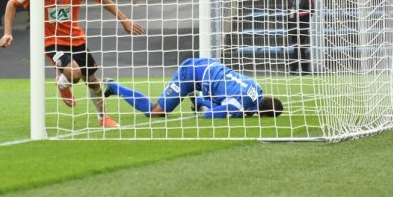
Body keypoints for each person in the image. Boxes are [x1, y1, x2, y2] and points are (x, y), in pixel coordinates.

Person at [0, 0, 145, 128]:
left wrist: (124, 20)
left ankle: (103, 119)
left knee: (92, 81)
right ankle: (62, 84)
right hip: (51, 41)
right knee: (74, 73)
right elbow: (11, 4)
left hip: (76, 39)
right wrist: (7, 32)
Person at [104, 57, 284, 119]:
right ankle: (114, 86)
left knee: (219, 97)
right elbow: (208, 114)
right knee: (156, 112)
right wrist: (202, 102)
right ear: (262, 114)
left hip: (210, 68)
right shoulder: (239, 104)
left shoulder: (257, 88)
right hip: (189, 73)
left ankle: (194, 96)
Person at [287, 0, 314, 74]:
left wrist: (298, 14)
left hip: (302, 24)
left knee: (300, 46)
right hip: (292, 25)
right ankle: (303, 69)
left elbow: (311, 10)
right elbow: (289, 10)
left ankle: (295, 68)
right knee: (297, 46)